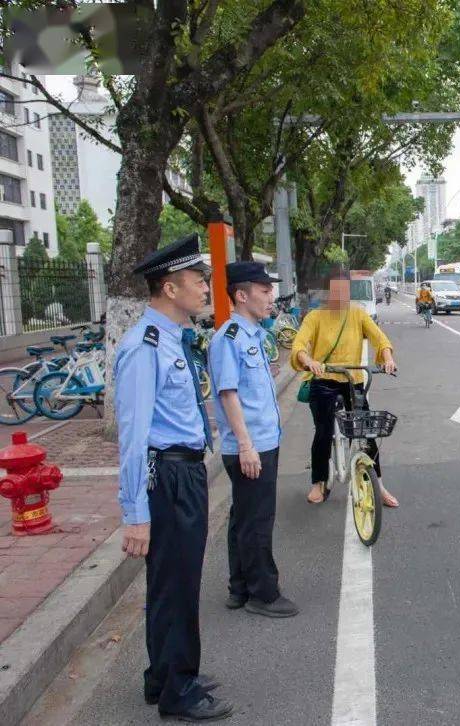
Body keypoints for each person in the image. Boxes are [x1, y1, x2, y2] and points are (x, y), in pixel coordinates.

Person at [114, 233, 232, 721]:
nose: (206, 288)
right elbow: (133, 436)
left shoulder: (169, 339)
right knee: (175, 584)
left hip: (183, 472)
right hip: (168, 477)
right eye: (198, 281)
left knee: (173, 583)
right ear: (169, 288)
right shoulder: (145, 347)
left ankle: (164, 675)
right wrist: (134, 514)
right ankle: (177, 693)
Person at [209, 262, 299, 619]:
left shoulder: (252, 334)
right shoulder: (228, 338)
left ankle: (239, 587)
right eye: (264, 291)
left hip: (261, 441)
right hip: (251, 446)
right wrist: (246, 446)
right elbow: (229, 395)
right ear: (242, 295)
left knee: (243, 518)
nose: (270, 297)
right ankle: (263, 593)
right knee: (257, 520)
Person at [290, 269, 398, 505]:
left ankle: (379, 486)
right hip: (324, 380)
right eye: (336, 291)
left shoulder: (358, 314)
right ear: (330, 292)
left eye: (345, 291)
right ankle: (318, 482)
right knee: (323, 431)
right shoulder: (315, 317)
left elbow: (379, 338)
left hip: (353, 381)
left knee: (366, 432)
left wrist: (388, 358)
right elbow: (299, 344)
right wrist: (309, 361)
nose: (341, 296)